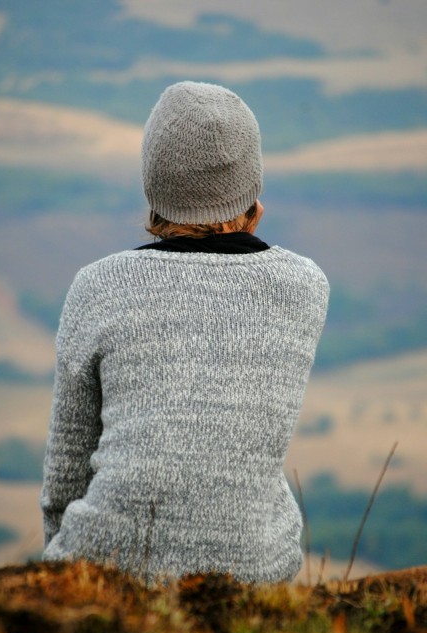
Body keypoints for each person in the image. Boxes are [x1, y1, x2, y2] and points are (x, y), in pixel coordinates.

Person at [41, 81, 329, 583]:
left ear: (153, 196)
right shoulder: (305, 286)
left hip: (103, 569)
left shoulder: (97, 287)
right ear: (253, 201)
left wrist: (62, 579)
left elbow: (66, 472)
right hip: (252, 570)